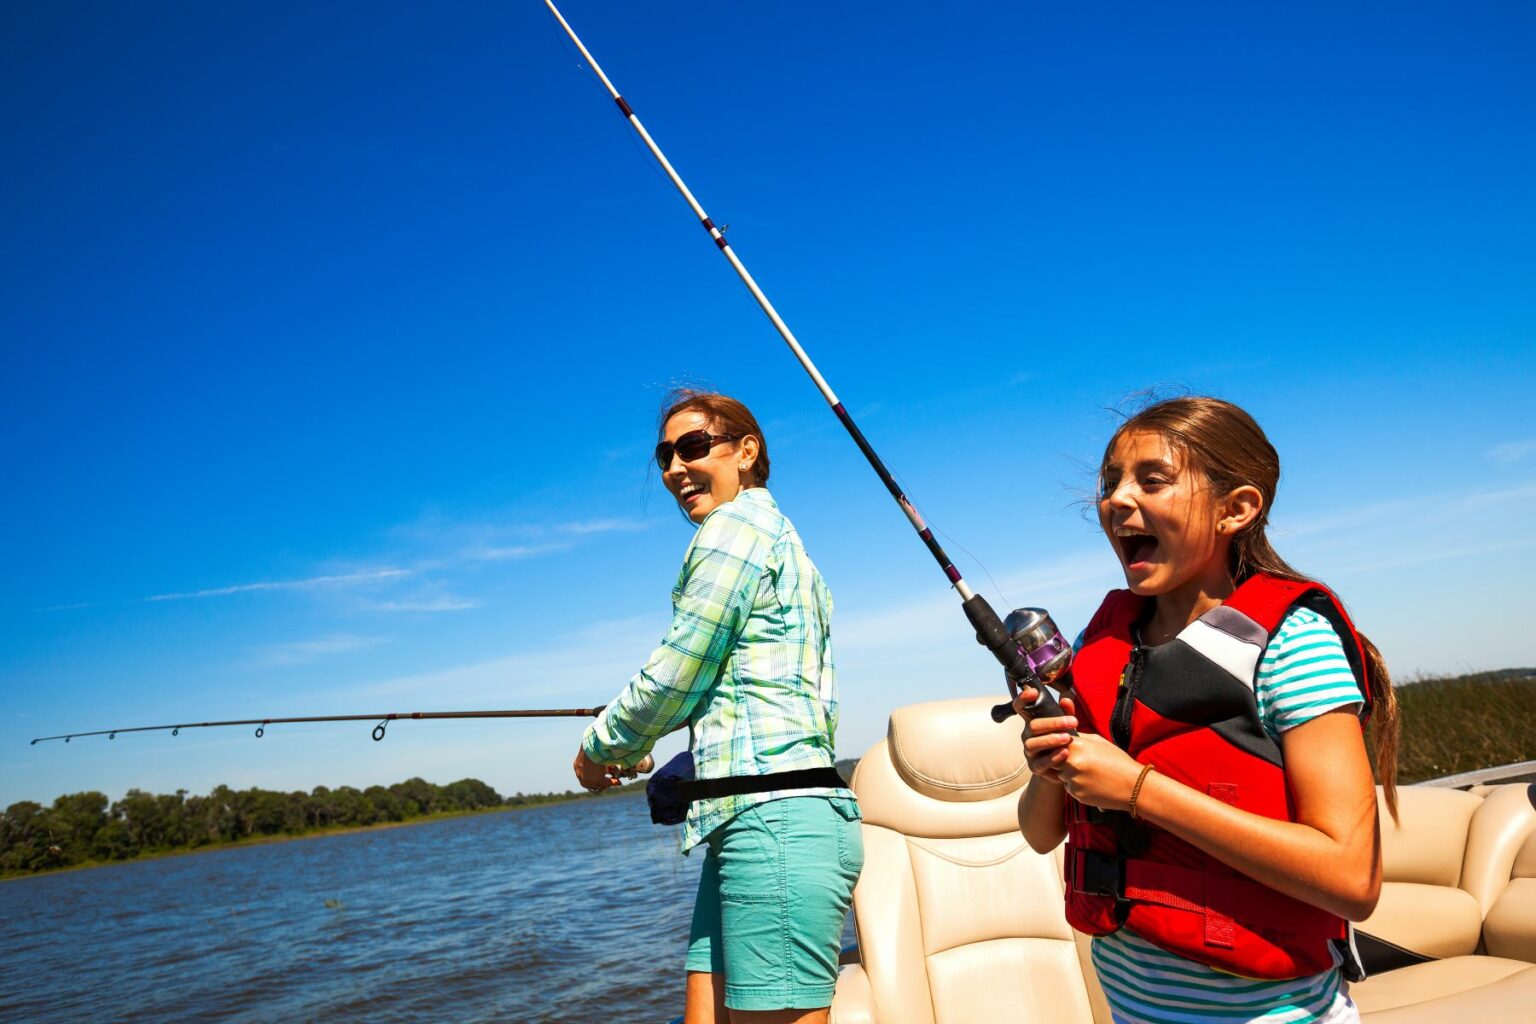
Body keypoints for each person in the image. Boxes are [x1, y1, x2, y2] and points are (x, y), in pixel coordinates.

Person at [1017, 396, 1400, 1024]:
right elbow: (1040, 835)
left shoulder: (1292, 642)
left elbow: (1352, 879)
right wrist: (1048, 762)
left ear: (1237, 510)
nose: (1116, 499)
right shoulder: (1100, 647)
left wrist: (1138, 789)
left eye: (1152, 479)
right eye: (1111, 481)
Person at [573, 390, 862, 1024]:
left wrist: (601, 748)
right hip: (746, 819)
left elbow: (679, 669)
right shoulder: (785, 543)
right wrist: (650, 736)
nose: (676, 467)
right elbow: (721, 683)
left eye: (694, 447)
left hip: (775, 820)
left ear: (746, 452)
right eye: (664, 455)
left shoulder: (734, 529)